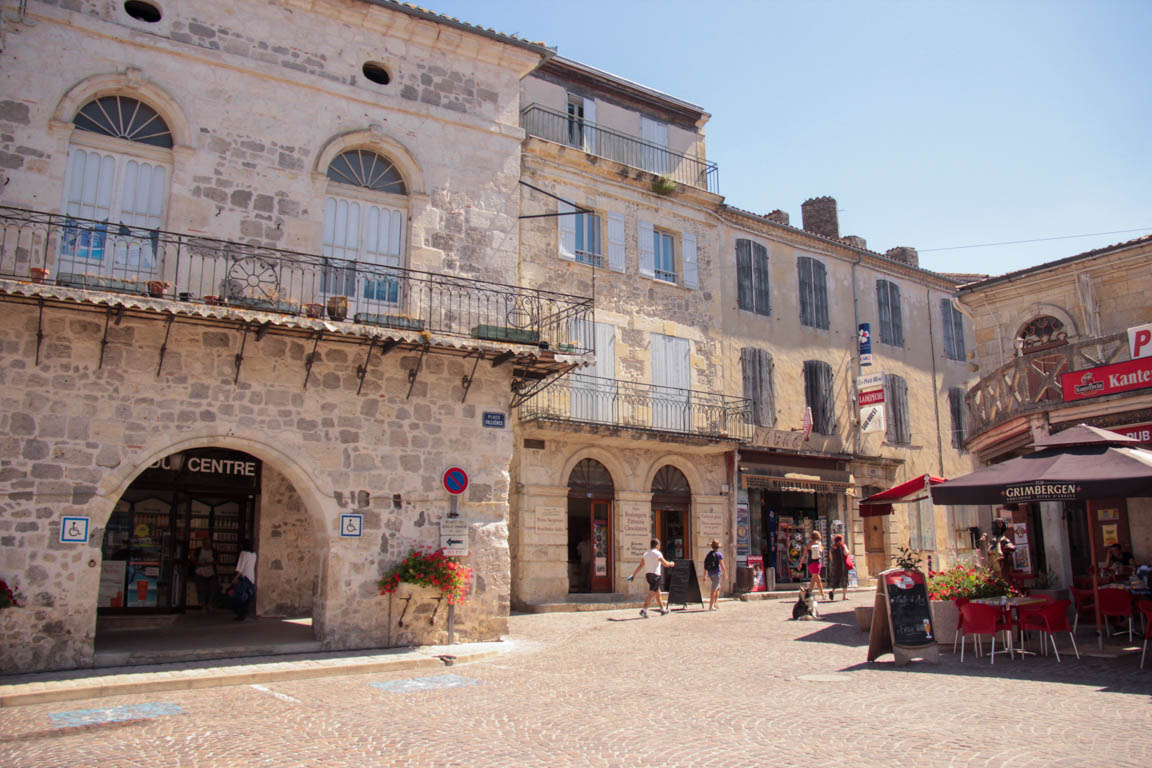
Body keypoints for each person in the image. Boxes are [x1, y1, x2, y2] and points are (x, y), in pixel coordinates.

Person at [629, 538, 674, 618]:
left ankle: (663, 609)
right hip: (655, 575)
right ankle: (644, 610)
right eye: (659, 544)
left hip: (648, 575)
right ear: (657, 545)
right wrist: (671, 563)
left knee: (658, 593)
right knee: (651, 593)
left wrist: (633, 575)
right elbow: (665, 564)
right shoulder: (658, 553)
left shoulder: (646, 554)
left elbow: (640, 566)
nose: (660, 546)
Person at [228, 539, 257, 621]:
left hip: (244, 577)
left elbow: (240, 567)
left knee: (238, 595)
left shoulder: (243, 553)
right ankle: (244, 612)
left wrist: (235, 578)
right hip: (251, 577)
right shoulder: (254, 554)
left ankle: (240, 613)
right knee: (247, 596)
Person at [190, 535, 216, 614]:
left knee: (212, 590)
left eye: (208, 544)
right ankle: (203, 606)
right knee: (201, 590)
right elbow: (193, 559)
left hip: (211, 573)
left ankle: (209, 604)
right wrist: (199, 564)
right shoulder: (198, 550)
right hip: (200, 573)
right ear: (203, 544)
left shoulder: (213, 551)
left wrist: (208, 563)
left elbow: (217, 560)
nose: (207, 545)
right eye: (206, 543)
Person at [704, 539, 727, 611]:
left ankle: (715, 603)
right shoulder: (719, 554)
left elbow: (705, 565)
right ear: (718, 547)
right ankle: (711, 607)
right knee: (713, 590)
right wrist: (725, 573)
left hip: (710, 573)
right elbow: (722, 565)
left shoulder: (709, 554)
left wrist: (705, 575)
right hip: (717, 573)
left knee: (718, 587)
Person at [802, 531, 826, 600]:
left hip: (810, 563)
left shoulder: (808, 544)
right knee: (813, 580)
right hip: (816, 562)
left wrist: (800, 563)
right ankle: (807, 595)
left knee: (818, 580)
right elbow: (821, 551)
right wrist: (822, 547)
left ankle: (823, 595)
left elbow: (804, 555)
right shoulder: (819, 543)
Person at [827, 533, 850, 601]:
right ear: (841, 540)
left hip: (835, 566)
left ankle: (832, 591)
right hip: (843, 565)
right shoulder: (843, 546)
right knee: (844, 580)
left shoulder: (832, 547)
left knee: (836, 579)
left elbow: (830, 557)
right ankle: (844, 596)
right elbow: (846, 553)